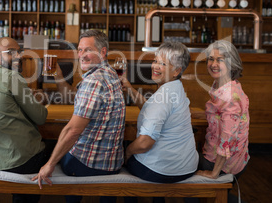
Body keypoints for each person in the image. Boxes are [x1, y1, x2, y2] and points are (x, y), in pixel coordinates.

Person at [32, 30, 126, 203]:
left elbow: (73, 130)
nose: (81, 55)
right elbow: (74, 99)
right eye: (80, 50)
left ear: (103, 52)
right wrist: (59, 76)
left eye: (87, 50)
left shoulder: (94, 81)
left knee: (46, 154)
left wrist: (50, 164)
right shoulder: (111, 73)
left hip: (91, 164)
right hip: (112, 161)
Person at [121, 42, 199, 196]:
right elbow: (150, 108)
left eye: (162, 64)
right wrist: (130, 89)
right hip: (186, 166)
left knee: (119, 159)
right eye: (155, 61)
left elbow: (145, 143)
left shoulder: (163, 97)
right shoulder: (176, 87)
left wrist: (127, 152)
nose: (155, 66)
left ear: (176, 71)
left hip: (162, 170)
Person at [0, 37, 48, 203]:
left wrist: (30, 98)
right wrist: (39, 100)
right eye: (11, 53)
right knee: (62, 149)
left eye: (19, 52)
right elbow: (41, 117)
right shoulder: (13, 78)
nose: (18, 56)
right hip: (19, 159)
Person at [196, 40, 250, 183]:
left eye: (220, 60)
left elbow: (228, 137)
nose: (213, 64)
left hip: (225, 165)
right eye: (211, 59)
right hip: (226, 157)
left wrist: (214, 174)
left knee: (178, 165)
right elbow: (217, 115)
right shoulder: (222, 85)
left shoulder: (230, 96)